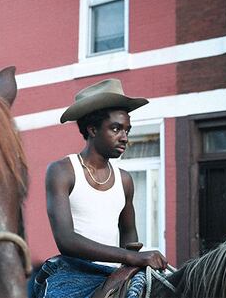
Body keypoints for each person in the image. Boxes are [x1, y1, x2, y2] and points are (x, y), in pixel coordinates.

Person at [35, 79, 168, 298]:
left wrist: (131, 263)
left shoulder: (124, 180)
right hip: (72, 272)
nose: (124, 137)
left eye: (127, 130)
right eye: (116, 128)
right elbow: (66, 240)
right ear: (93, 129)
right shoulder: (63, 171)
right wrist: (130, 257)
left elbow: (128, 232)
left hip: (116, 273)